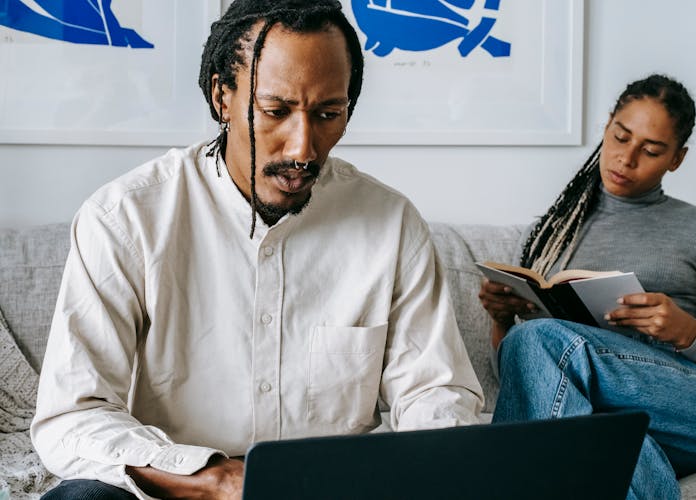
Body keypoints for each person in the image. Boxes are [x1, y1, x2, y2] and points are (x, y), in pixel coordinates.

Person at [31, 1, 484, 498]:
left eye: (328, 114)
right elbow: (73, 414)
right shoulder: (125, 218)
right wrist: (217, 480)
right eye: (276, 111)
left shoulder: (392, 225)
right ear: (221, 97)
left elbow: (435, 394)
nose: (302, 149)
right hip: (176, 489)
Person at [478, 74, 696, 500]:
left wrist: (684, 330)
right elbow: (527, 387)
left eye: (651, 150)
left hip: (694, 407)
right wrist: (502, 322)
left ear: (676, 159)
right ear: (606, 127)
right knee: (604, 438)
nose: (626, 158)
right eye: (621, 137)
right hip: (603, 407)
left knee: (544, 345)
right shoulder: (554, 229)